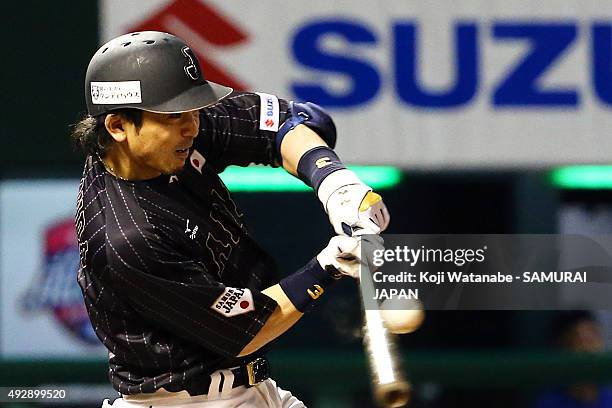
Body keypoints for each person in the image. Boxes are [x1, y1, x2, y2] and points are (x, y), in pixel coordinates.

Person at [72, 31, 389, 407]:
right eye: (175, 115)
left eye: (191, 109)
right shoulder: (128, 238)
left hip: (250, 387)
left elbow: (278, 124)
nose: (192, 125)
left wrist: (335, 183)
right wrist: (327, 267)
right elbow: (245, 330)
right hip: (188, 401)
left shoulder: (158, 141)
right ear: (118, 126)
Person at [534, 311, 612, 408]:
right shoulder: (548, 402)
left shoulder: (608, 394)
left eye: (594, 337)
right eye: (581, 340)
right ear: (564, 347)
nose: (591, 348)